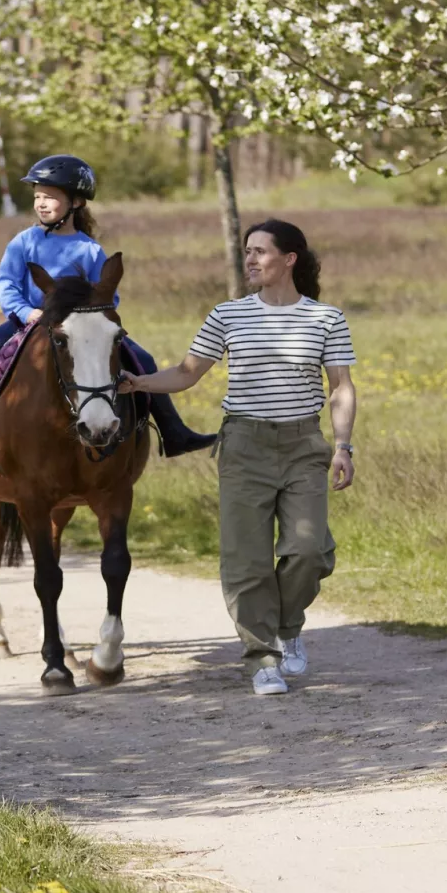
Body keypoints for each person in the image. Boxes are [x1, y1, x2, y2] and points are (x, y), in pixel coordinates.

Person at [119, 218, 357, 696]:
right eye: (247, 251)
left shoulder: (325, 318)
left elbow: (342, 388)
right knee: (246, 561)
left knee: (309, 550)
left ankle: (287, 626)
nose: (250, 259)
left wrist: (343, 446)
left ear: (289, 259)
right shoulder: (227, 315)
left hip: (303, 446)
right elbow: (188, 373)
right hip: (244, 447)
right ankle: (261, 657)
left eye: (260, 251)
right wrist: (140, 382)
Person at [0, 154, 217, 457]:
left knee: (142, 358)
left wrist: (95, 317)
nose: (41, 203)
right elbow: (5, 283)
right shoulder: (24, 242)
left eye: (49, 196)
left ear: (76, 202)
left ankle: (175, 432)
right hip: (28, 321)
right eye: (37, 197)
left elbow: (108, 295)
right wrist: (26, 312)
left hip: (82, 328)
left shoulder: (90, 250)